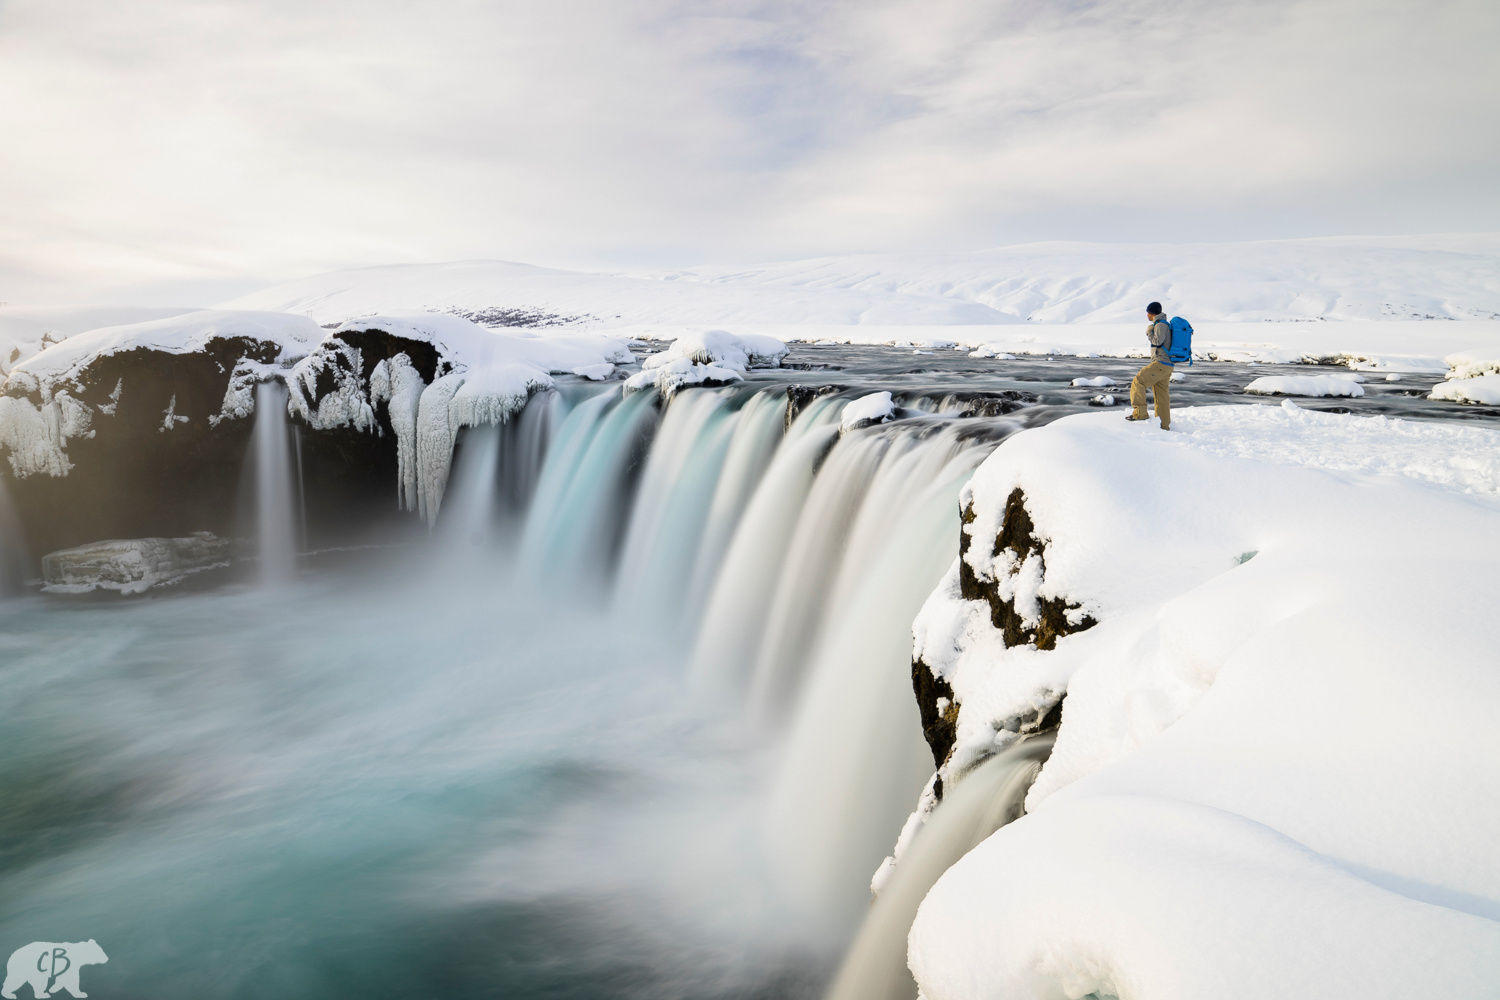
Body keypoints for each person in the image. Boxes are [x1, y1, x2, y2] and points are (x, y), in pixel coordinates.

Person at [1127, 302, 1173, 430]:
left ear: (1152, 313)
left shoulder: (1160, 325)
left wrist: (1149, 332)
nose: (1146, 315)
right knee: (1161, 395)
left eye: (1147, 312)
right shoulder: (1164, 324)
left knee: (1138, 381)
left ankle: (1140, 414)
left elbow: (1157, 341)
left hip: (1160, 364)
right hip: (1167, 365)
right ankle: (1164, 425)